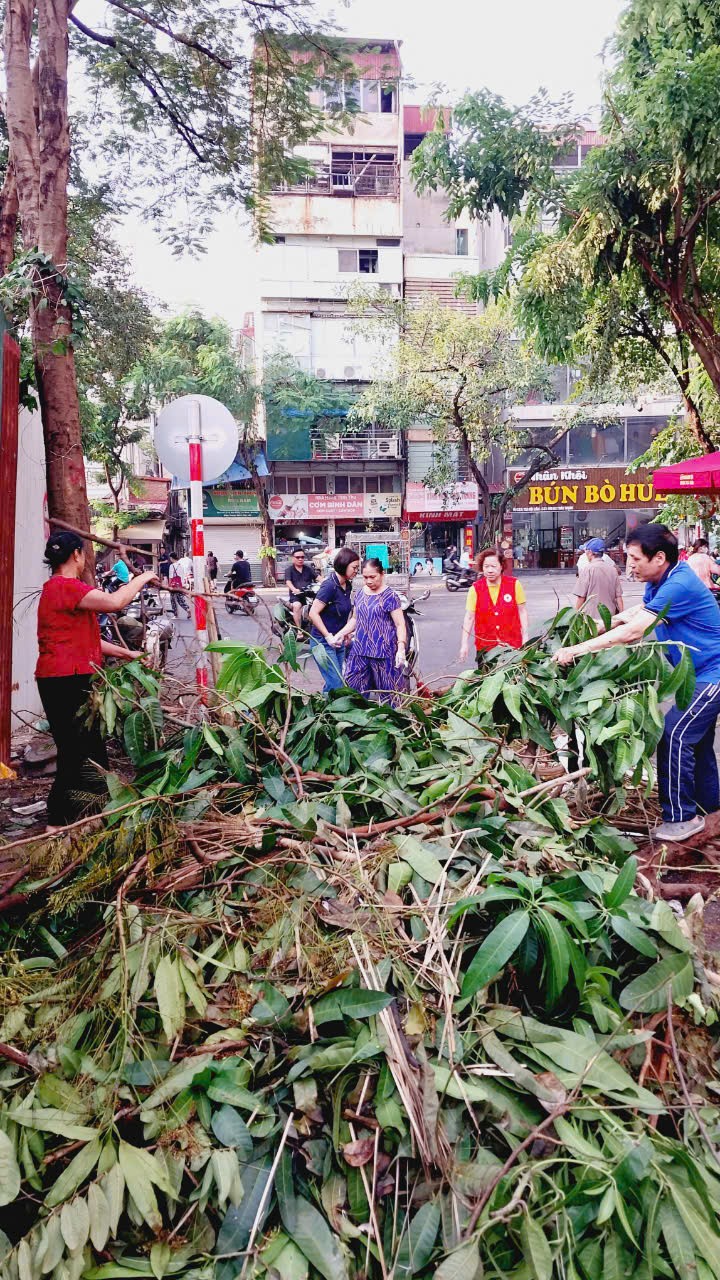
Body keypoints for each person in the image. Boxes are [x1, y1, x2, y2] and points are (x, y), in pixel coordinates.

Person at [555, 524, 720, 843]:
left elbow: (637, 631)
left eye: (634, 558)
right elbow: (641, 613)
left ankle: (681, 818)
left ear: (659, 557)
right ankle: (710, 809)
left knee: (674, 734)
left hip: (712, 674)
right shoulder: (660, 581)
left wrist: (576, 650)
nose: (629, 564)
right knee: (697, 744)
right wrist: (608, 623)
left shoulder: (680, 583)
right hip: (696, 675)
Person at [35, 531, 158, 831]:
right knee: (74, 751)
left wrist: (126, 654)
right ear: (76, 555)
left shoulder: (58, 590)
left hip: (69, 677)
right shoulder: (66, 588)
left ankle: (92, 813)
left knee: (91, 749)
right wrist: (144, 578)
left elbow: (87, 639)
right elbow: (117, 602)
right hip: (64, 680)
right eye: (84, 554)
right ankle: (57, 821)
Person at [344, 558, 408, 704]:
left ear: (382, 574)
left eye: (373, 577)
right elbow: (355, 619)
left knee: (390, 696)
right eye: (365, 577)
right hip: (360, 651)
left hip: (383, 653)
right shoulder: (360, 594)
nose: (368, 581)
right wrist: (341, 634)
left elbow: (400, 624)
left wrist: (401, 647)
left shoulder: (390, 596)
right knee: (354, 694)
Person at [459, 548, 529, 665]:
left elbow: (522, 612)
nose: (490, 570)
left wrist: (525, 637)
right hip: (485, 648)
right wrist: (464, 644)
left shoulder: (514, 584)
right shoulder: (475, 589)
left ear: (501, 566)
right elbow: (469, 617)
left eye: (493, 566)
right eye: (486, 566)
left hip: (512, 646)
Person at [307, 547, 361, 692]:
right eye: (354, 567)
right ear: (344, 564)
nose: (357, 571)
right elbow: (313, 613)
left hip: (339, 641)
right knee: (336, 683)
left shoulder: (347, 585)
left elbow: (345, 611)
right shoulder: (329, 586)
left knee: (334, 681)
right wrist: (327, 636)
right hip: (323, 642)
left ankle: (323, 710)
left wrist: (346, 633)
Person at [574, 537, 624, 621]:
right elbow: (618, 597)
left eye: (586, 551)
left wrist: (575, 617)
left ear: (590, 553)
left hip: (591, 620)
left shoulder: (587, 570)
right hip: (609, 618)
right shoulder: (612, 570)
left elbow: (581, 597)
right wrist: (622, 616)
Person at [285, 547, 318, 629]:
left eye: (302, 557)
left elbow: (318, 577)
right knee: (296, 606)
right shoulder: (289, 570)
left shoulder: (309, 569)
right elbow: (288, 582)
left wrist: (326, 582)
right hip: (296, 596)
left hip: (310, 594)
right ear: (293, 558)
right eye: (298, 557)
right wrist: (294, 589)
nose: (300, 559)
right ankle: (299, 630)